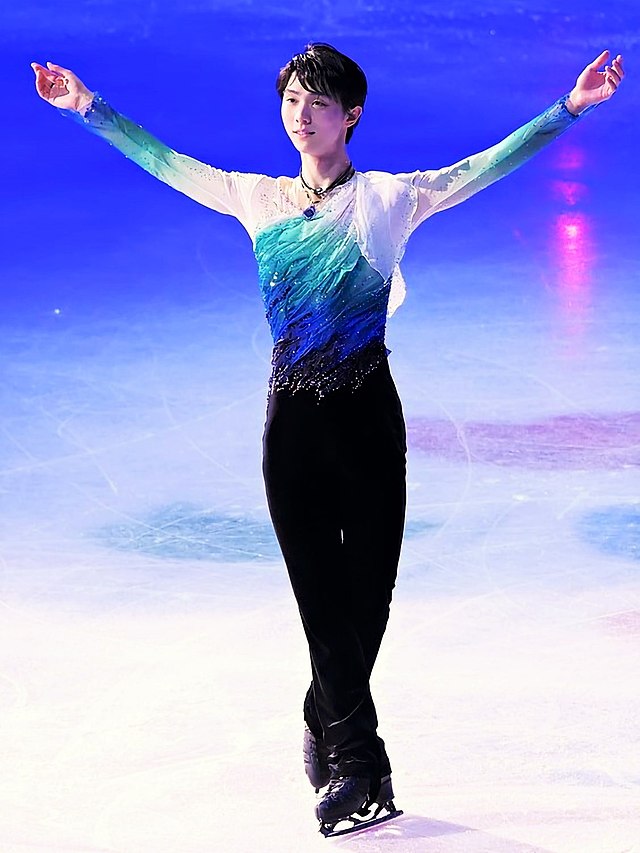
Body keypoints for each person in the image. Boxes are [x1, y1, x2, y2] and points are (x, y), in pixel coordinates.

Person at [31, 42, 624, 834]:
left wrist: (570, 109)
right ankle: (359, 765)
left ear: (351, 115)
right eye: (291, 102)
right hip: (294, 431)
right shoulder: (255, 199)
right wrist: (87, 107)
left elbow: (483, 167)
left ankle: (323, 717)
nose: (301, 114)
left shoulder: (389, 197)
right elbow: (167, 162)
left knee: (366, 602)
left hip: (369, 417)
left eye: (318, 102)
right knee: (322, 604)